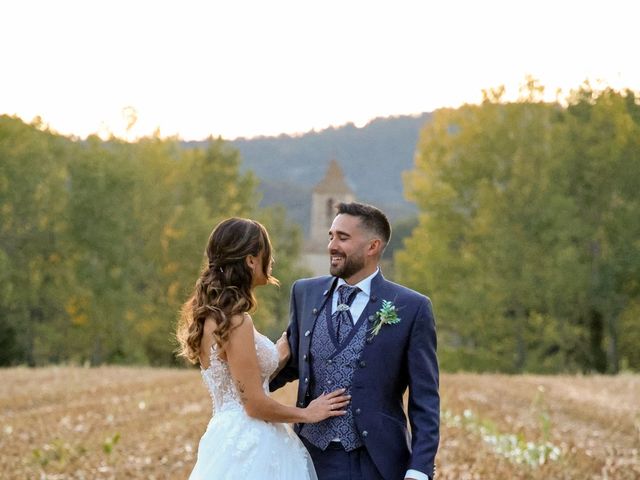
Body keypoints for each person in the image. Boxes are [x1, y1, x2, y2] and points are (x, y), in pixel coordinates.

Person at [270, 202, 440, 480]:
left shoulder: (412, 307)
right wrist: (247, 384)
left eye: (343, 238)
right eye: (331, 236)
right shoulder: (304, 293)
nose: (332, 246)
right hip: (307, 458)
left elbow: (425, 400)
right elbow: (293, 366)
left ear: (372, 246)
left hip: (376, 462)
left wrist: (419, 470)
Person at [176, 217, 351, 480]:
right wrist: (307, 413)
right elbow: (254, 404)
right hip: (251, 441)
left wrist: (278, 356)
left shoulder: (215, 316)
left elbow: (238, 378)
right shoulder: (236, 321)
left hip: (225, 435)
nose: (272, 261)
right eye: (267, 251)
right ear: (250, 260)